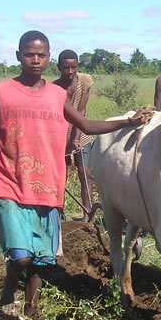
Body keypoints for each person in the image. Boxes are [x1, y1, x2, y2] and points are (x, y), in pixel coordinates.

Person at [0, 30, 148, 320]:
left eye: (40, 55)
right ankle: (8, 288)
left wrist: (127, 122)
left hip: (48, 185)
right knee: (21, 257)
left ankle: (29, 312)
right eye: (29, 54)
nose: (35, 59)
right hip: (11, 182)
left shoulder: (57, 95)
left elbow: (87, 124)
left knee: (40, 260)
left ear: (48, 58)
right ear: (18, 56)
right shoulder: (1, 91)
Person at [53, 49, 95, 222]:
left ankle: (88, 215)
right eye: (65, 68)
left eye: (74, 68)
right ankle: (58, 212)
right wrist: (66, 141)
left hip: (80, 133)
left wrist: (76, 139)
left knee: (84, 172)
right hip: (59, 135)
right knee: (58, 175)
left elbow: (81, 111)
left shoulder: (84, 81)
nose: (70, 72)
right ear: (58, 67)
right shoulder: (53, 88)